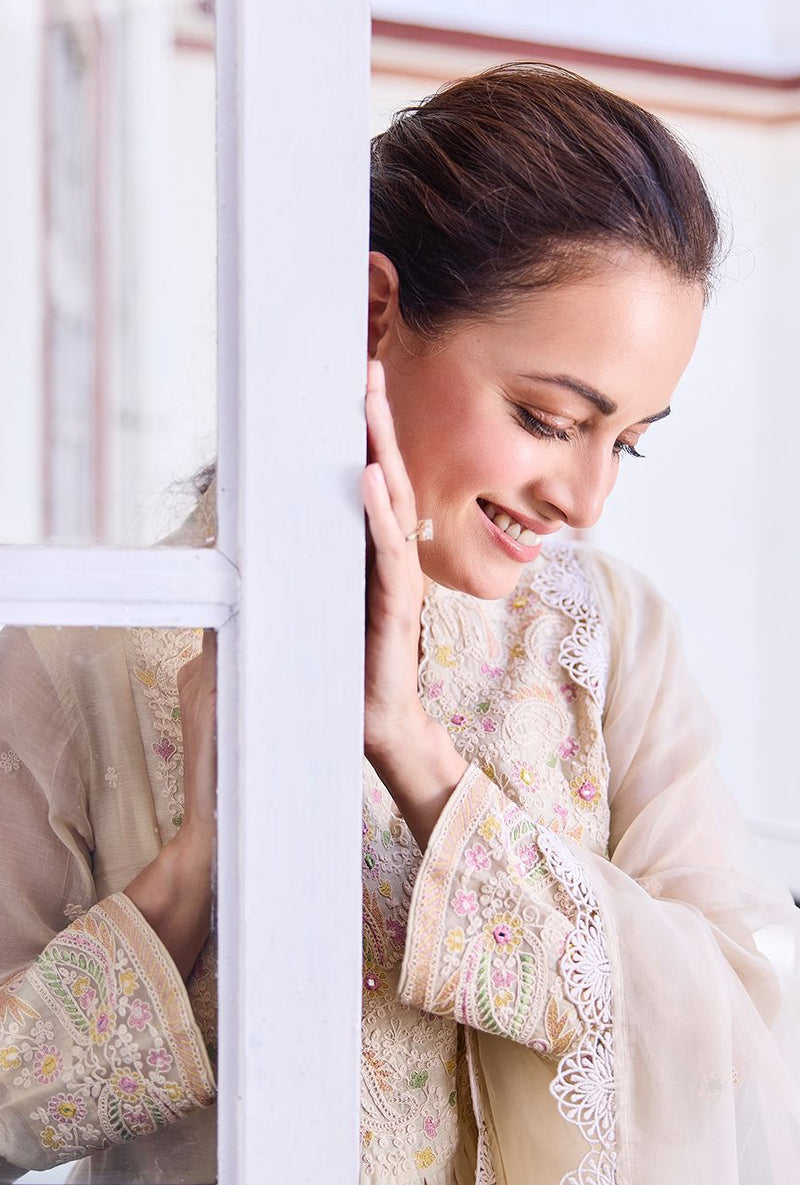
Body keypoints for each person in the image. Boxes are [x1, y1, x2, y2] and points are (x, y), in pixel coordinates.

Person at [0, 58, 798, 1185]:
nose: (583, 501)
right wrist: (186, 881)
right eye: (544, 417)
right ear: (373, 315)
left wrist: (415, 757)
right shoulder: (94, 643)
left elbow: (737, 1045)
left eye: (622, 441)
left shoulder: (610, 640)